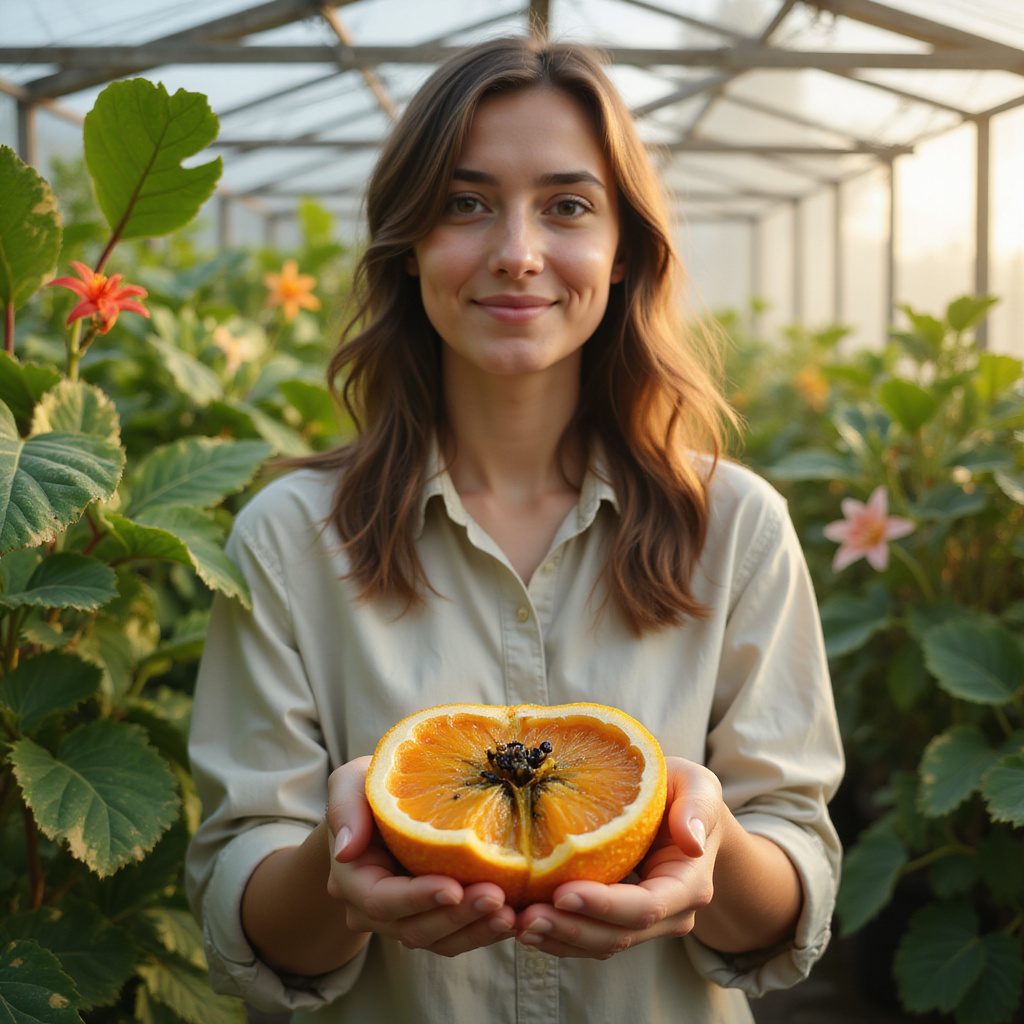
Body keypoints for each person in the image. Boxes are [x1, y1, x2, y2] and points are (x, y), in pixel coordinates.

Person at [186, 35, 844, 1024]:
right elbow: (249, 915)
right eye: (465, 202)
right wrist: (343, 860)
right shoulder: (289, 536)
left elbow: (785, 902)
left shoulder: (735, 526)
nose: (517, 252)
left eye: (568, 205)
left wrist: (704, 843)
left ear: (625, 251)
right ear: (409, 244)